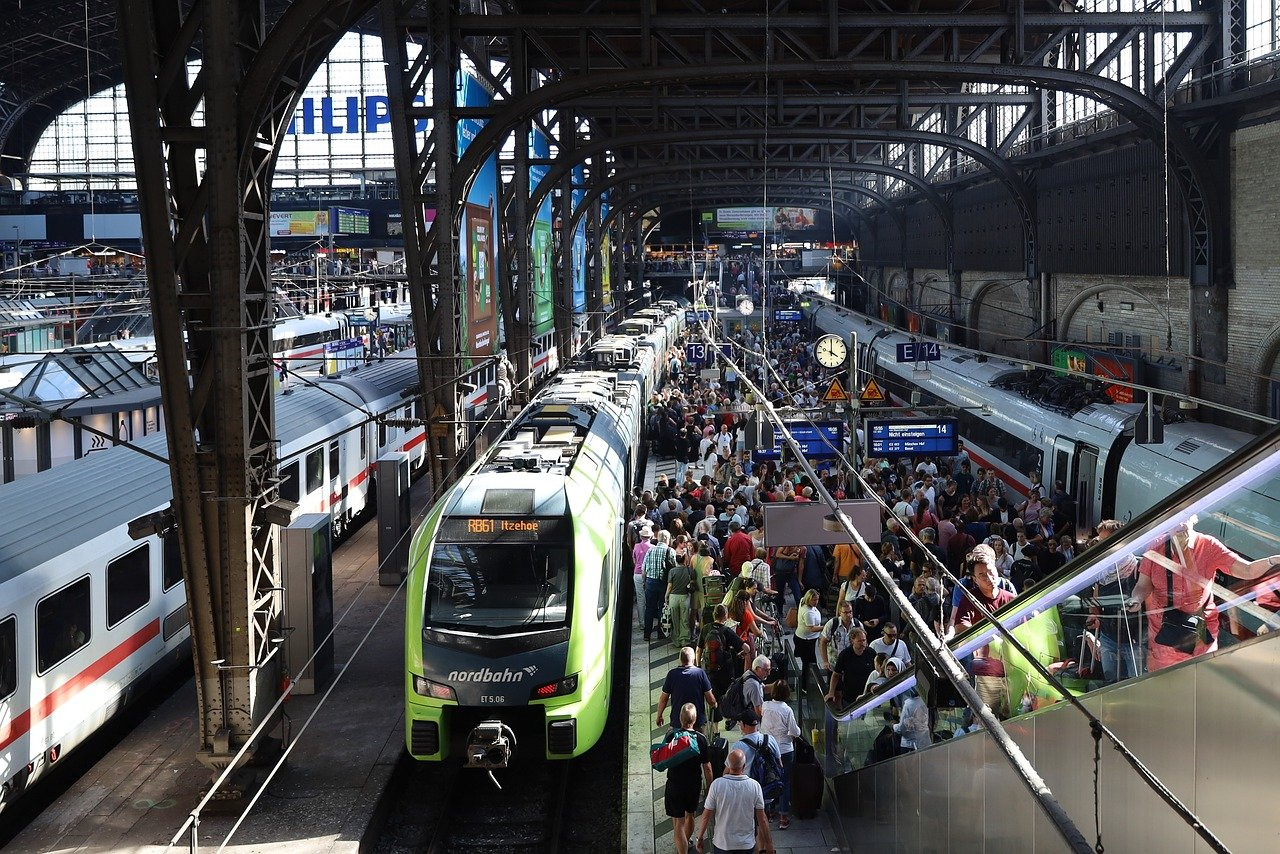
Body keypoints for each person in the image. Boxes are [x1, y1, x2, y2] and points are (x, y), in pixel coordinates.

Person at [1125, 515, 1280, 671]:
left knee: (1201, 679)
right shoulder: (1155, 546)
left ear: (1194, 519)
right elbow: (1143, 585)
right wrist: (1136, 599)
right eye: (1175, 519)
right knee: (1166, 683)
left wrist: (1272, 560)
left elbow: (1247, 570)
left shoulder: (1208, 545)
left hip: (1199, 631)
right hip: (1164, 633)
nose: (1180, 523)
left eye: (1185, 517)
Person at [696, 748, 774, 854]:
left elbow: (706, 815)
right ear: (744, 765)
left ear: (728, 765)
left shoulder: (717, 785)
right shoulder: (754, 786)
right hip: (746, 844)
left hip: (722, 843)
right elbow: (762, 819)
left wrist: (700, 837)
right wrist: (769, 845)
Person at [666, 703, 713, 854]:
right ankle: (686, 841)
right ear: (695, 719)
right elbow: (707, 767)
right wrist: (710, 787)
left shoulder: (671, 736)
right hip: (693, 784)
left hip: (674, 783)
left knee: (677, 822)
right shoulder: (701, 739)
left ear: (680, 718)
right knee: (690, 814)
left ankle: (682, 850)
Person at [760, 682, 801, 830]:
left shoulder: (765, 706)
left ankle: (769, 812)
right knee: (784, 782)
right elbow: (794, 731)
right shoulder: (787, 710)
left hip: (768, 748)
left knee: (769, 778)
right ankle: (784, 816)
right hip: (784, 750)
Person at [698, 604, 746, 721]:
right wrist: (741, 654)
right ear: (725, 616)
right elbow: (746, 648)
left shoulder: (706, 628)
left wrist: (699, 666)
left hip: (710, 669)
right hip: (726, 670)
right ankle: (729, 719)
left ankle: (715, 729)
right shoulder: (727, 631)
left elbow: (699, 650)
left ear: (714, 614)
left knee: (713, 695)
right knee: (727, 694)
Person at [657, 647, 718, 732]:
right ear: (693, 659)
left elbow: (663, 699)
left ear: (680, 659)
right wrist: (714, 704)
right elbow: (710, 699)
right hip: (697, 723)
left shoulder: (672, 674)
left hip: (677, 722)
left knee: (678, 744)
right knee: (699, 743)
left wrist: (659, 715)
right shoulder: (700, 673)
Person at [825, 626, 875, 708]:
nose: (863, 643)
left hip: (867, 694)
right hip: (850, 696)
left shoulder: (871, 653)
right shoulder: (845, 655)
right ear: (852, 641)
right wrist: (831, 692)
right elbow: (836, 674)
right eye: (859, 641)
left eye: (864, 640)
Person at [642, 530, 677, 641]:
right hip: (664, 583)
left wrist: (644, 582)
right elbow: (674, 568)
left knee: (649, 608)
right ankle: (660, 634)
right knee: (662, 607)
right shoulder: (670, 551)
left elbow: (644, 569)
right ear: (667, 539)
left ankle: (647, 634)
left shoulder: (650, 550)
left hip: (650, 582)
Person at [792, 589, 823, 688]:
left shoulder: (802, 601)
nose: (816, 602)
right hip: (805, 641)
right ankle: (805, 686)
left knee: (808, 662)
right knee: (809, 663)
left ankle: (807, 684)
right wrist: (826, 627)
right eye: (814, 600)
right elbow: (811, 628)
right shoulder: (808, 613)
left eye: (817, 599)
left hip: (806, 638)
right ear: (808, 599)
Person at [666, 553, 697, 648]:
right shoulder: (689, 570)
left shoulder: (672, 571)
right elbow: (693, 582)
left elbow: (670, 586)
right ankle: (685, 640)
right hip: (685, 597)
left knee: (675, 620)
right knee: (684, 619)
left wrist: (666, 596)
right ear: (684, 560)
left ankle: (676, 641)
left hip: (673, 598)